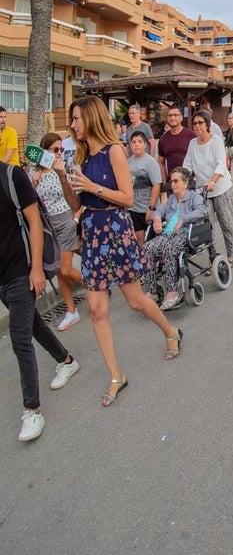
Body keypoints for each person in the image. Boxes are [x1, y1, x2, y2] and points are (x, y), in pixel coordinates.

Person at [65, 96, 183, 407]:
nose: (73, 124)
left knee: (134, 301)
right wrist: (65, 181)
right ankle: (117, 375)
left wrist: (92, 187)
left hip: (115, 231)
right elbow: (78, 203)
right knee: (96, 309)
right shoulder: (82, 157)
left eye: (77, 118)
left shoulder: (114, 150)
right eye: (72, 119)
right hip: (92, 234)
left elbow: (127, 198)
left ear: (91, 118)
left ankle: (171, 331)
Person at [0, 161, 80, 440]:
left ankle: (32, 411)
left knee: (20, 337)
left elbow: (34, 222)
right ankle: (66, 360)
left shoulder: (12, 176)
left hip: (20, 271)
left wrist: (35, 268)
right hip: (1, 279)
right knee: (33, 324)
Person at [31, 133, 84, 331]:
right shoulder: (33, 173)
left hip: (65, 220)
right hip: (47, 226)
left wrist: (76, 219)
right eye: (55, 150)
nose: (60, 153)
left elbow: (77, 198)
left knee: (65, 269)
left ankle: (95, 287)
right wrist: (33, 183)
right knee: (60, 272)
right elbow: (30, 202)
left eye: (62, 149)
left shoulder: (65, 170)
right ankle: (72, 311)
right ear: (44, 151)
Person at [142, 166, 206, 310]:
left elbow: (202, 212)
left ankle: (172, 292)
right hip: (167, 235)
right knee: (146, 248)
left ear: (186, 182)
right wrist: (157, 218)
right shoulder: (171, 199)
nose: (172, 184)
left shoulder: (194, 197)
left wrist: (183, 219)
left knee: (169, 249)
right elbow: (159, 211)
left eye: (176, 181)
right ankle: (152, 291)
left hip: (185, 235)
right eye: (171, 181)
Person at [184, 110, 233, 264]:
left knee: (227, 223)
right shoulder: (192, 144)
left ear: (207, 124)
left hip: (220, 187)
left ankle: (232, 255)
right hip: (203, 190)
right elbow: (187, 165)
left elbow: (221, 163)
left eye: (200, 122)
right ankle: (213, 259)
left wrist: (213, 181)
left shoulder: (216, 141)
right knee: (207, 227)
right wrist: (183, 180)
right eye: (194, 123)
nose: (197, 126)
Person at [127, 131, 161, 245]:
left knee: (153, 241)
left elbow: (157, 185)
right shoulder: (128, 162)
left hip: (148, 208)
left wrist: (151, 208)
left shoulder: (150, 162)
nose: (136, 144)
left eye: (140, 142)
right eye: (134, 142)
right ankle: (142, 261)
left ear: (145, 144)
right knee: (139, 241)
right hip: (134, 209)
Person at [157, 106, 194, 183]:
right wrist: (165, 183)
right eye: (170, 115)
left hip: (189, 182)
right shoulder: (163, 139)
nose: (172, 118)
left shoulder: (191, 136)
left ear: (181, 118)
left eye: (175, 115)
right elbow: (161, 163)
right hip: (172, 183)